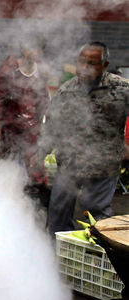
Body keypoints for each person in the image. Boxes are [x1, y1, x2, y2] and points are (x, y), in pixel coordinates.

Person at [39, 42, 129, 235]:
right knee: (58, 212)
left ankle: (100, 254)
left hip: (104, 165)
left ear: (104, 65)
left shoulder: (121, 89)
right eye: (82, 62)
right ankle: (60, 255)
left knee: (96, 212)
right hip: (70, 162)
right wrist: (39, 155)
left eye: (92, 63)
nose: (85, 68)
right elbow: (51, 127)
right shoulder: (66, 91)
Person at [0, 40, 51, 191]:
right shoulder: (7, 71)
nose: (37, 53)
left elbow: (44, 99)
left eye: (39, 49)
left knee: (35, 167)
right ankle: (0, 193)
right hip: (9, 127)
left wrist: (43, 125)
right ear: (24, 49)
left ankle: (37, 199)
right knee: (5, 164)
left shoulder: (42, 72)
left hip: (32, 129)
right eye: (33, 48)